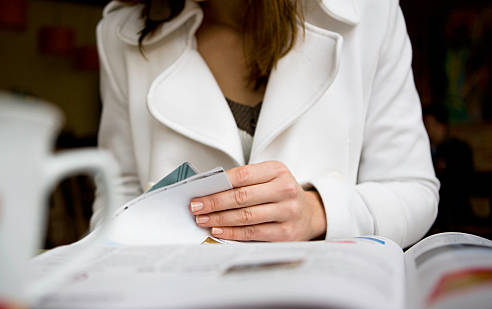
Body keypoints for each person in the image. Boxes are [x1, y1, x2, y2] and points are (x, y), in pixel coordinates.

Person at [92, 0, 440, 248]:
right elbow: (117, 188)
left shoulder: (371, 12)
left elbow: (412, 189)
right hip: (174, 306)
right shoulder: (120, 34)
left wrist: (320, 212)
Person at [423, 104, 474, 230]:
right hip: (430, 212)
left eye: (432, 124)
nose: (429, 129)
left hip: (455, 211)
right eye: (426, 125)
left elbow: (462, 181)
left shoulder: (459, 149)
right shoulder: (423, 151)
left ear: (443, 126)